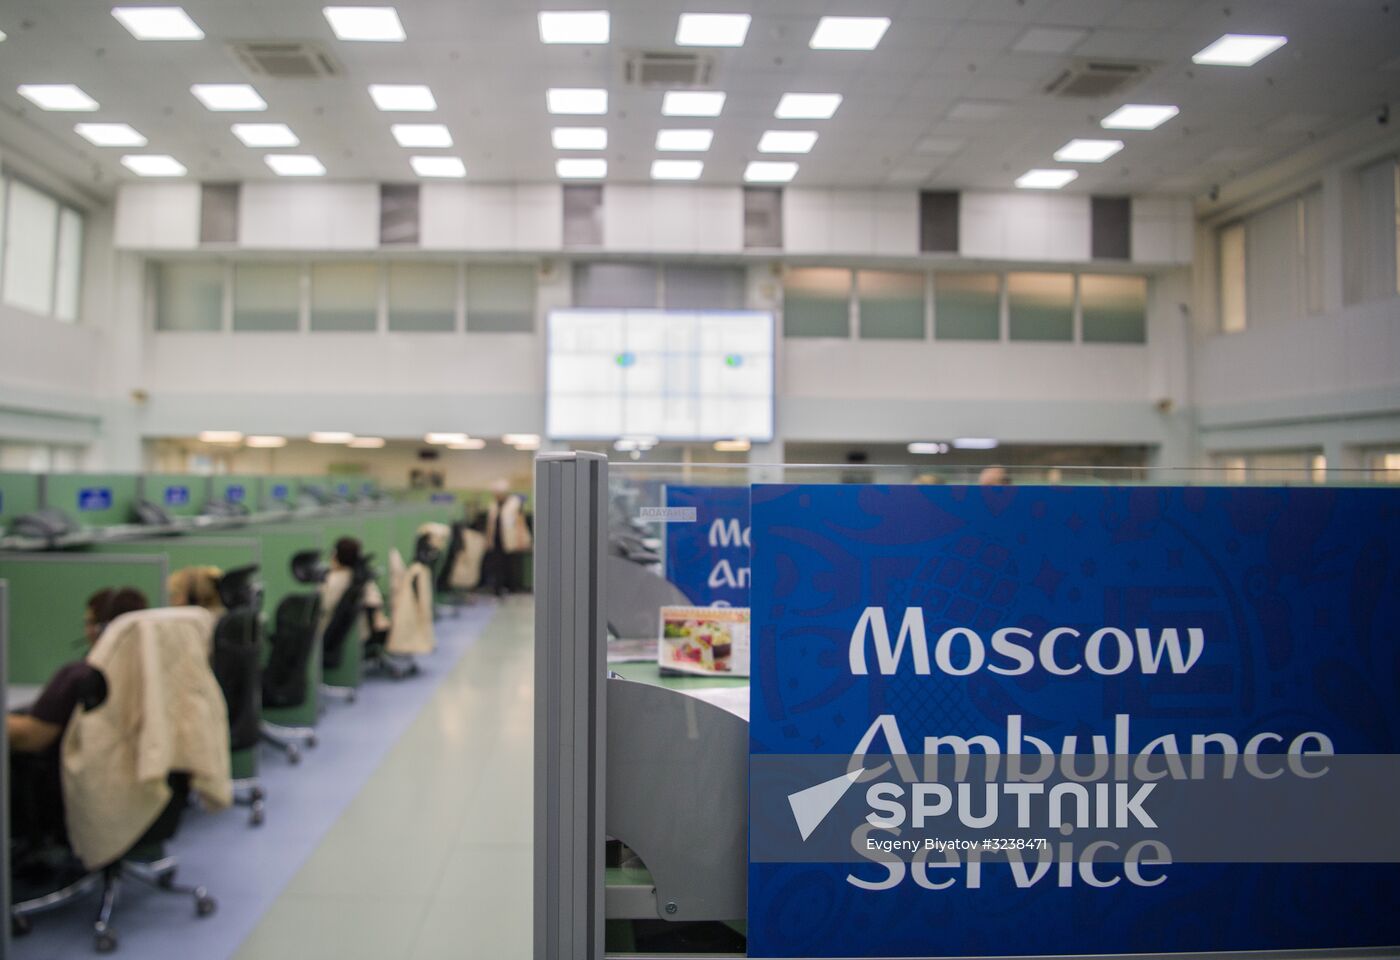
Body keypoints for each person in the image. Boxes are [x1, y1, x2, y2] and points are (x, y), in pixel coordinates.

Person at [8, 587, 148, 857]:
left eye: (88, 622)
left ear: (101, 629)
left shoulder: (79, 676)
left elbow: (30, 737)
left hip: (68, 792)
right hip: (132, 790)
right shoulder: (146, 674)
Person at [322, 537, 390, 635]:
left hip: (332, 635)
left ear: (336, 556)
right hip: (360, 634)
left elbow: (325, 606)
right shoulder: (362, 579)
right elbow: (375, 603)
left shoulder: (330, 580)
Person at [482, 479, 532, 596]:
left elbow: (520, 522)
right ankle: (498, 588)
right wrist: (488, 540)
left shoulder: (515, 503)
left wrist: (521, 540)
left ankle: (512, 588)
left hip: (511, 540)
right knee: (497, 566)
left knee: (511, 565)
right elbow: (490, 524)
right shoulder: (493, 505)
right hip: (497, 540)